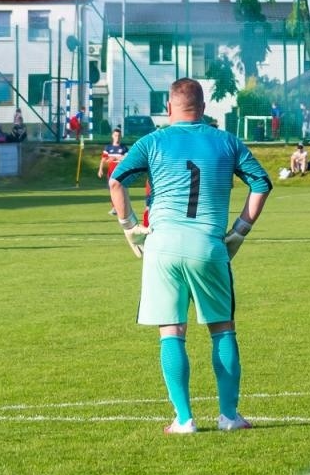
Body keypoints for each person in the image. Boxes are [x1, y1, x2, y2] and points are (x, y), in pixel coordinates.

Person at [107, 77, 272, 434]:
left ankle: (184, 420)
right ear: (204, 107)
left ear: (169, 108)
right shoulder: (226, 141)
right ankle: (229, 416)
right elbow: (262, 183)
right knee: (222, 330)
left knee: (172, 331)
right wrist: (239, 231)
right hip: (207, 246)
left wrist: (129, 226)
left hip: (161, 246)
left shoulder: (152, 142)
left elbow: (116, 181)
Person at [100, 127, 129, 213]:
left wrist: (115, 157)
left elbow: (126, 158)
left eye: (119, 136)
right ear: (113, 136)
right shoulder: (108, 148)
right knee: (111, 189)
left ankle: (120, 207)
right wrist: (100, 169)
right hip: (111, 171)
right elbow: (104, 159)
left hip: (120, 170)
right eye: (116, 135)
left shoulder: (124, 148)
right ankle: (115, 207)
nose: (117, 137)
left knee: (120, 189)